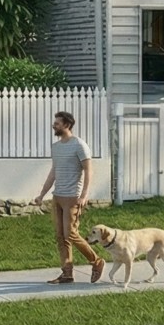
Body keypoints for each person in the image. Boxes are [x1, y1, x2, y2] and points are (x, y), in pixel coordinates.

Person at [33, 110, 105, 285]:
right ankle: (67, 274)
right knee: (60, 236)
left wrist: (84, 195)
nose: (54, 125)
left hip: (73, 197)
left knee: (71, 234)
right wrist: (42, 194)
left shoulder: (79, 145)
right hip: (58, 196)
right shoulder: (56, 147)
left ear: (67, 125)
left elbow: (88, 170)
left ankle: (96, 261)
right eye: (55, 122)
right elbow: (53, 172)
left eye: (57, 123)